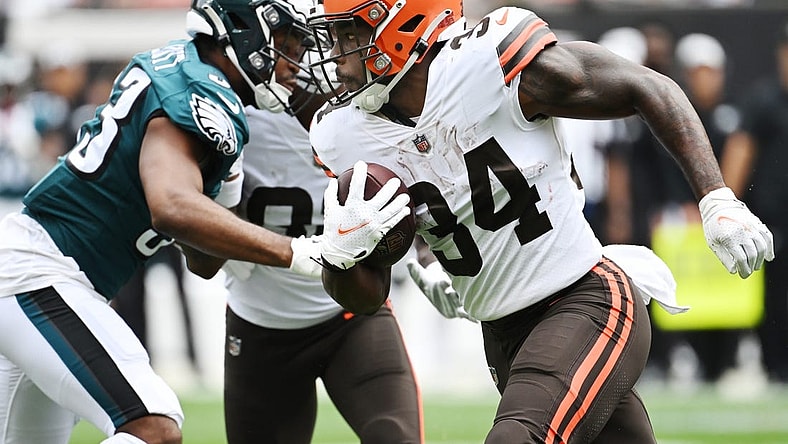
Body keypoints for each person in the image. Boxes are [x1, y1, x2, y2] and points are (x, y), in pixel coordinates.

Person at [306, 2, 774, 443]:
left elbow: (647, 87)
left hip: (585, 299)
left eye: (352, 32)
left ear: (407, 26)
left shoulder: (488, 62)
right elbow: (365, 298)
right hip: (503, 335)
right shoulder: (342, 133)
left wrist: (716, 198)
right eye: (334, 35)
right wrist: (344, 254)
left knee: (516, 437)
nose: (337, 55)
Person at [0, 0, 325, 443]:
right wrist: (298, 252)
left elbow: (204, 261)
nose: (296, 64)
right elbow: (171, 207)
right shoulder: (200, 88)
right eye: (288, 43)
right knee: (153, 425)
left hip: (38, 271)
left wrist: (224, 189)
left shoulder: (195, 76)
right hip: (40, 272)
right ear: (243, 29)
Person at [721, 22, 788, 384]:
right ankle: (776, 365)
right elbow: (740, 150)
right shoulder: (763, 100)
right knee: (775, 297)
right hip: (774, 217)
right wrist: (726, 204)